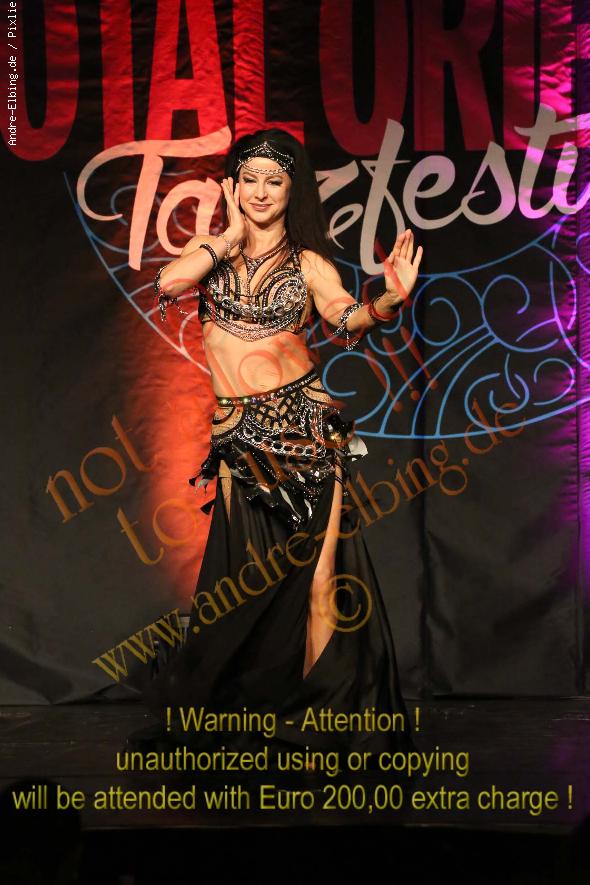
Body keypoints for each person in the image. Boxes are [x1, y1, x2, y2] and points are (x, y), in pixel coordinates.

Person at [142, 128, 423, 772]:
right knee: (244, 586)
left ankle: (320, 725)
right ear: (233, 186)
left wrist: (387, 301)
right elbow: (169, 283)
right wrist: (229, 235)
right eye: (251, 179)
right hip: (239, 440)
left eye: (275, 180)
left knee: (320, 579)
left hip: (307, 433)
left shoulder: (309, 263)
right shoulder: (211, 256)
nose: (262, 191)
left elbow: (346, 318)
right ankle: (255, 705)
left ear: (293, 190)